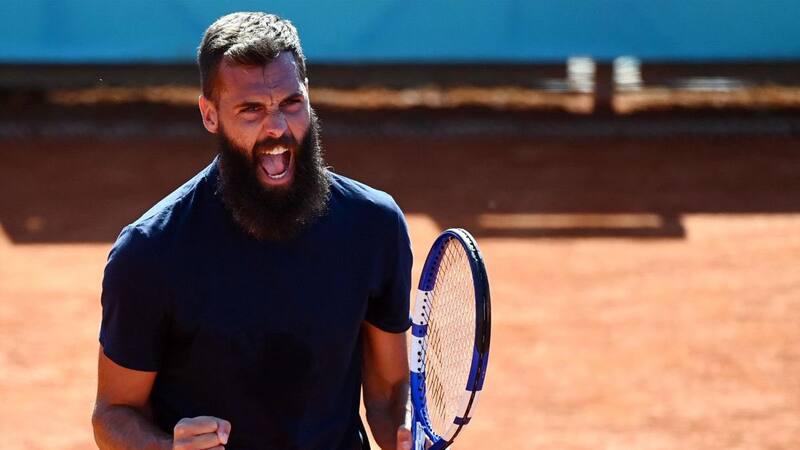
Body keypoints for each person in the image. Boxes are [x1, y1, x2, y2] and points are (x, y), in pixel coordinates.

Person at [92, 12, 413, 450]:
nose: (277, 127)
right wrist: (167, 448)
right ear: (210, 115)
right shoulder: (150, 253)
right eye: (252, 109)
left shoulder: (374, 226)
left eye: (291, 103)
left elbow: (389, 391)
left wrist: (405, 437)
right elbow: (113, 414)